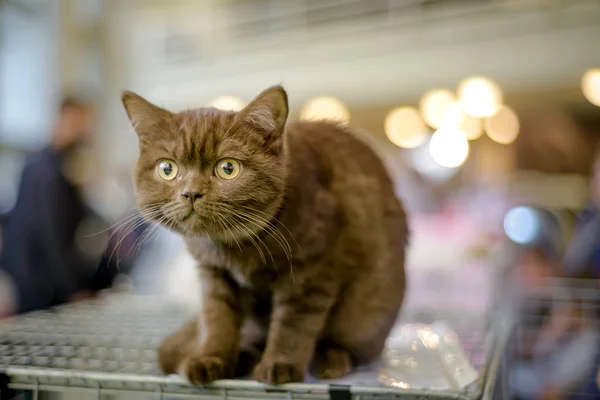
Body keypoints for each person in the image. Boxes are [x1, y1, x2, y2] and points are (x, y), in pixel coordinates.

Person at [0, 96, 120, 313]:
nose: (88, 132)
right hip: (40, 286)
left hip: (35, 280)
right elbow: (52, 235)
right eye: (83, 124)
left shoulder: (43, 166)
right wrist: (72, 289)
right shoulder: (49, 174)